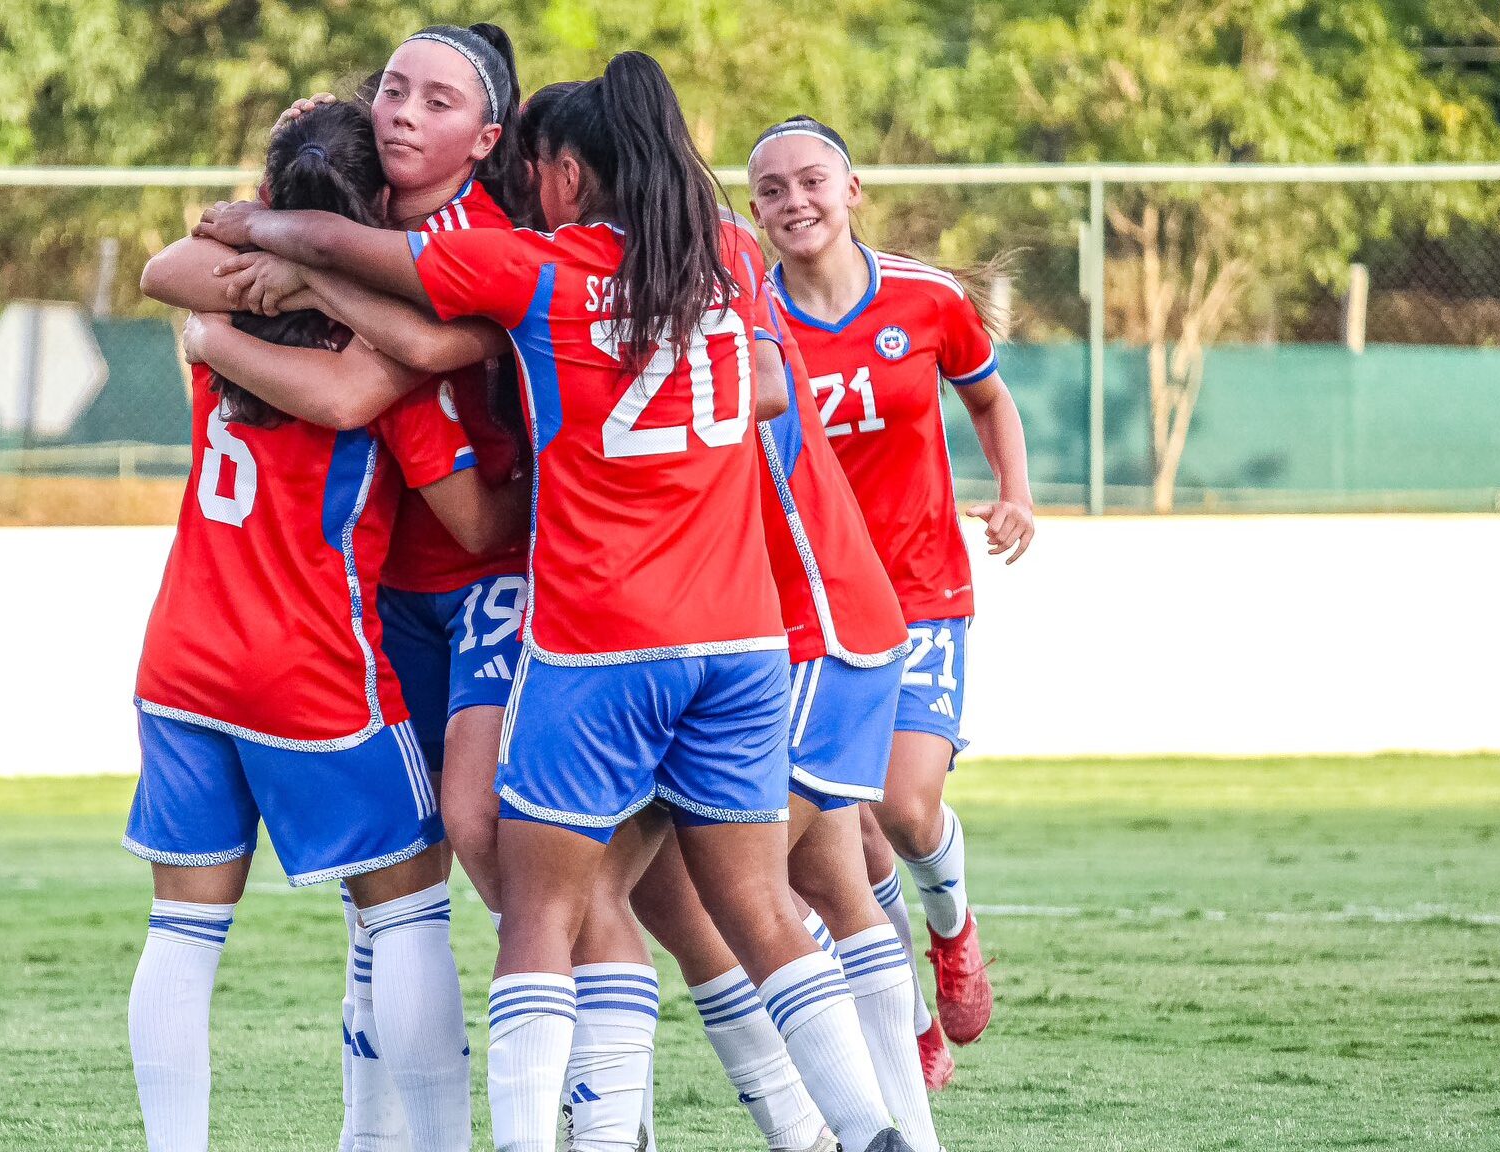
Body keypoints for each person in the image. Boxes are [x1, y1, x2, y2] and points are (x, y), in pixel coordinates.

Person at [196, 55, 915, 1152]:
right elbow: (770, 384)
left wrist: (273, 240)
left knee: (537, 914)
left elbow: (368, 273)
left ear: (566, 172)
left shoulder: (536, 268)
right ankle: (866, 1130)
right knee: (760, 911)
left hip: (598, 646)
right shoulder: (724, 251)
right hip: (739, 644)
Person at [144, 25, 530, 1150]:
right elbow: (365, 392)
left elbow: (173, 272)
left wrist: (217, 333)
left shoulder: (241, 312)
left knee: (180, 936)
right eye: (391, 97)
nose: (404, 112)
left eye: (431, 97)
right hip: (307, 652)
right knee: (406, 908)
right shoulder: (361, 348)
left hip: (179, 651)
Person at [626, 215, 943, 1152]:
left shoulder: (668, 283)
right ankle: (894, 1133)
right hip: (801, 629)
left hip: (809, 633)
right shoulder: (717, 264)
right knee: (825, 884)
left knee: (675, 893)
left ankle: (815, 1132)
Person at [747, 116, 1037, 1083]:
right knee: (836, 830)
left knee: (906, 809)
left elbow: (989, 399)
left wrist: (1016, 497)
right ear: (756, 212)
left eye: (812, 181)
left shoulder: (927, 299)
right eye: (773, 190)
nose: (796, 201)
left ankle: (953, 930)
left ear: (854, 188)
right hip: (804, 603)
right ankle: (906, 1014)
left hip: (919, 590)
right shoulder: (751, 321)